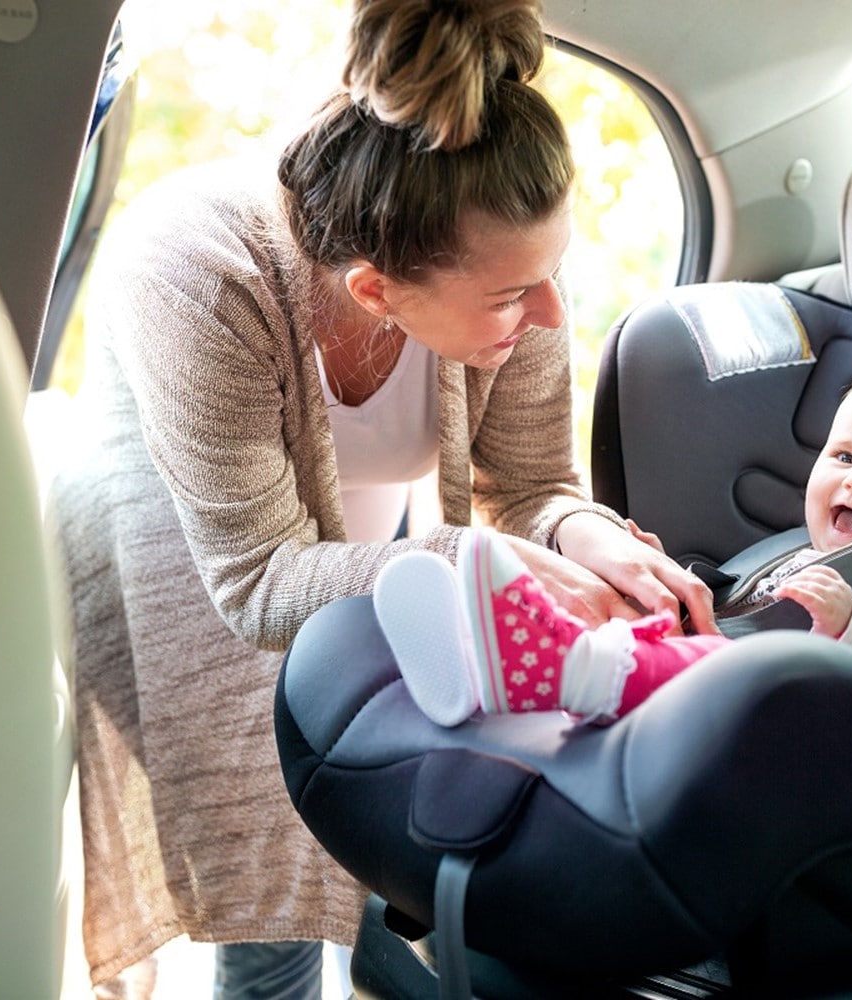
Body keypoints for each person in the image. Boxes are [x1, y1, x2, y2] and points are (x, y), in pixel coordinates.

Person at [52, 0, 717, 996]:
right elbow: (258, 584)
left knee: (362, 832)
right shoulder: (197, 275)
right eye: (509, 299)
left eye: (551, 280)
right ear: (375, 292)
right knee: (270, 894)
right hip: (179, 560)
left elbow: (529, 485)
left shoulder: (511, 266)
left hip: (349, 541)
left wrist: (591, 538)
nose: (543, 315)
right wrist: (455, 563)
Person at [374, 361, 852, 726]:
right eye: (845, 456)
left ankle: (555, 667)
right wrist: (662, 572)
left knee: (651, 654)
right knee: (629, 607)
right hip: (723, 674)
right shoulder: (799, 556)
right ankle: (475, 653)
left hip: (775, 721)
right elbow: (739, 622)